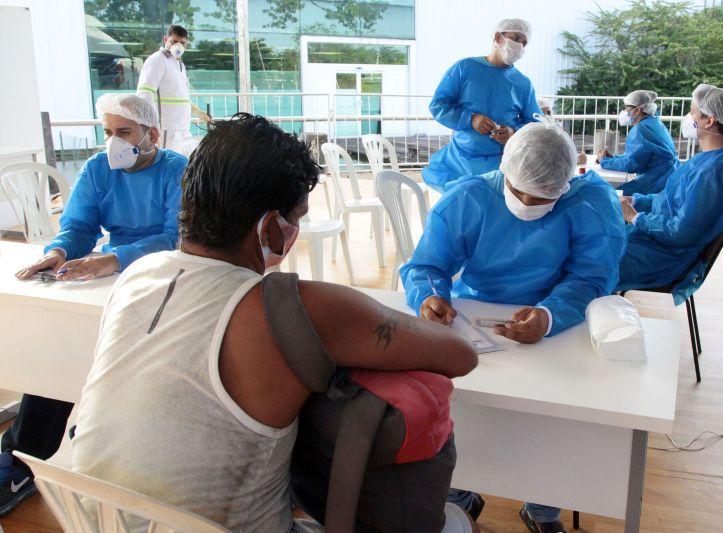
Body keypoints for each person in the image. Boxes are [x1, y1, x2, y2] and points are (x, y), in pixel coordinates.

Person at [71, 114, 480, 532]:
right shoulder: (289, 307)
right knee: (454, 525)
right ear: (270, 228)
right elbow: (460, 355)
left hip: (88, 518)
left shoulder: (138, 275)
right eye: (297, 218)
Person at [400, 122, 627, 533]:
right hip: (474, 321)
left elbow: (592, 277)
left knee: (555, 417)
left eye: (541, 197)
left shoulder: (592, 204)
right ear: (503, 170)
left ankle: (542, 507)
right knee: (461, 408)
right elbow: (426, 265)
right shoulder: (469, 197)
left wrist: (551, 314)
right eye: (518, 190)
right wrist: (430, 296)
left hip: (561, 325)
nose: (525, 202)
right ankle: (460, 493)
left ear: (568, 182)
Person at [0, 93, 186, 517]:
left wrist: (116, 258)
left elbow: (176, 235)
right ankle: (20, 461)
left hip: (161, 273)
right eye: (107, 132)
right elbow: (79, 225)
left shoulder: (176, 170)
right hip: (104, 275)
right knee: (60, 352)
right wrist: (61, 252)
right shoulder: (97, 169)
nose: (113, 142)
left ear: (151, 134)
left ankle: (108, 444)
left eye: (124, 132)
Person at [617, 84, 723, 298]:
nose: (689, 117)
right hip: (656, 245)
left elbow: (681, 232)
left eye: (693, 111)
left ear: (709, 120)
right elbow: (669, 201)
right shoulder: (718, 161)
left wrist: (635, 218)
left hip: (661, 258)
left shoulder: (713, 173)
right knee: (594, 243)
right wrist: (636, 201)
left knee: (589, 258)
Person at [422, 19, 542, 192]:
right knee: (462, 210)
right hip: (460, 163)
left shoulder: (522, 83)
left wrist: (513, 132)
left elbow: (534, 123)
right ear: (498, 37)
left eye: (524, 43)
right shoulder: (464, 68)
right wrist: (470, 119)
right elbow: (438, 105)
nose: (520, 46)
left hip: (502, 165)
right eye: (516, 38)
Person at [137, 24, 211, 153]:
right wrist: (151, 127)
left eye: (182, 43)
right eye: (174, 42)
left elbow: (180, 96)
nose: (178, 46)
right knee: (167, 168)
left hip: (182, 128)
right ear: (166, 40)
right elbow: (144, 95)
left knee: (183, 168)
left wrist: (198, 112)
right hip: (165, 130)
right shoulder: (157, 60)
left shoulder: (179, 64)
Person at [594, 90, 679, 196]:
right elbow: (638, 155)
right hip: (665, 176)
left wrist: (604, 161)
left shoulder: (640, 129)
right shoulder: (653, 123)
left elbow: (631, 165)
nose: (624, 111)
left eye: (626, 108)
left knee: (611, 196)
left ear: (637, 110)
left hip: (656, 181)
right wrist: (613, 158)